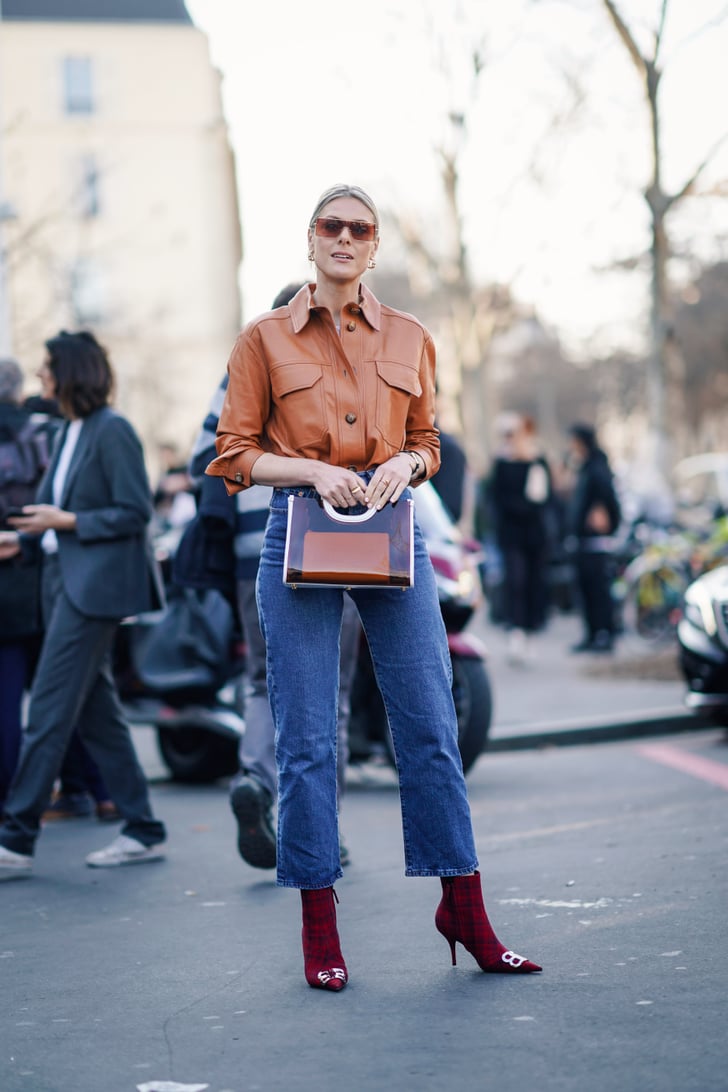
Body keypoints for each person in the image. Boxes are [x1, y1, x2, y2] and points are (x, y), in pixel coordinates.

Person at [206, 183, 541, 991]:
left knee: (430, 723)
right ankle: (319, 925)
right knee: (308, 738)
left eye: (361, 228)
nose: (346, 237)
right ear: (312, 239)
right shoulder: (262, 340)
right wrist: (317, 470)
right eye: (333, 225)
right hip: (300, 532)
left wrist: (404, 463)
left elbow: (429, 440)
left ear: (376, 246)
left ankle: (464, 907)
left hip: (395, 527)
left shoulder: (411, 336)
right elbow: (233, 454)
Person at [187, 281, 359, 870]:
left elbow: (201, 457)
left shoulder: (243, 363)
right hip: (336, 545)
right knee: (331, 692)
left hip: (250, 552)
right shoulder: (342, 365)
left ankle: (257, 780)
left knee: (263, 680)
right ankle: (322, 830)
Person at [0, 330, 166, 879]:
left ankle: (15, 838)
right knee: (99, 716)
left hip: (89, 590)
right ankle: (142, 827)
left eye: (48, 367)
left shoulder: (112, 430)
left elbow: (134, 512)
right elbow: (59, 515)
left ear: (71, 371)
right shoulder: (71, 431)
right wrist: (23, 538)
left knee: (47, 710)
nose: (40, 377)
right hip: (60, 581)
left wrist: (63, 522)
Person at [0, 358, 50, 817]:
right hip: (44, 575)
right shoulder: (41, 432)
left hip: (10, 584)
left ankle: (11, 799)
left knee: (7, 696)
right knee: (59, 693)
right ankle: (85, 789)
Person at [488, 413, 554, 663]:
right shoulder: (501, 462)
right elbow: (497, 498)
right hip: (511, 533)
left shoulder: (537, 460)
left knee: (533, 582)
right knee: (515, 581)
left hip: (534, 533)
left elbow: (545, 498)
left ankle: (530, 630)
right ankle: (516, 632)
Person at [565, 422, 622, 653]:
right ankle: (592, 635)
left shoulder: (596, 468)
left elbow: (605, 499)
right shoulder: (586, 466)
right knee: (587, 590)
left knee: (598, 590)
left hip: (594, 542)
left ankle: (603, 635)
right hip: (584, 540)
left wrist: (600, 511)